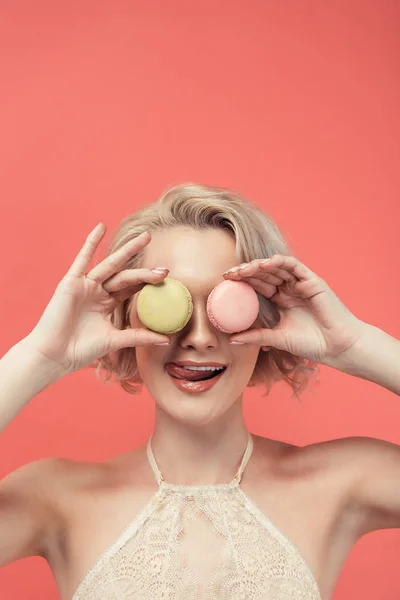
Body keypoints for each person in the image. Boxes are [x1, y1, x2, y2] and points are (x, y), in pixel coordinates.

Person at [0, 182, 399, 600]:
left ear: (265, 321)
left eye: (226, 305)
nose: (200, 338)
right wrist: (40, 358)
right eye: (172, 304)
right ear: (125, 320)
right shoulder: (56, 498)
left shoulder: (340, 482)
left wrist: (356, 344)